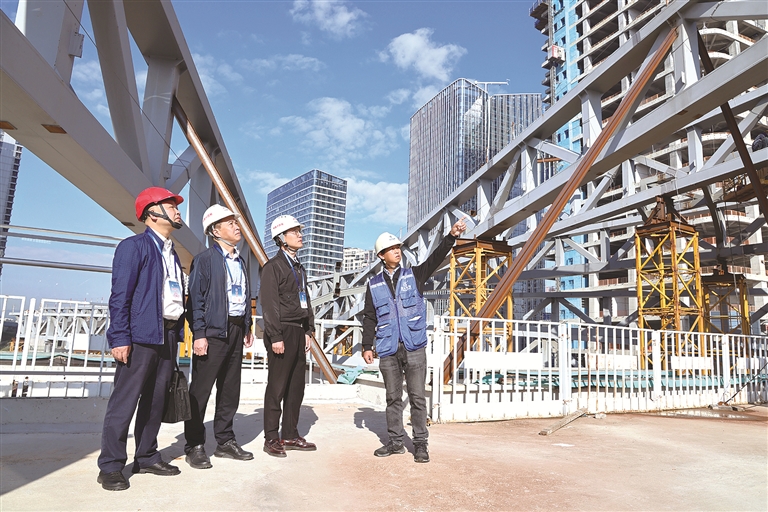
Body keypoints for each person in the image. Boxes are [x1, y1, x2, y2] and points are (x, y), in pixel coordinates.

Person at [97, 187, 186, 491]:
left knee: (156, 401)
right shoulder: (133, 247)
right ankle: (110, 466)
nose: (177, 210)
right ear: (152, 213)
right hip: (139, 337)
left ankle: (146, 456)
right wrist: (119, 337)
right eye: (170, 206)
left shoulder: (172, 252)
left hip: (167, 335)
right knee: (125, 402)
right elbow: (119, 296)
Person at [362, 218, 467, 463]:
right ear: (381, 256)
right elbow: (369, 316)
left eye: (398, 247)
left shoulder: (415, 275)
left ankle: (420, 443)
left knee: (418, 397)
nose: (397, 251)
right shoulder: (373, 284)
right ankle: (396, 442)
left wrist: (451, 236)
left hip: (414, 346)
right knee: (393, 398)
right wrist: (367, 345)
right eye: (391, 249)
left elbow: (436, 258)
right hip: (388, 347)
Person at [184, 204, 255, 469]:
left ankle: (225, 441)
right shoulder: (204, 260)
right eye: (230, 223)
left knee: (230, 389)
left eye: (236, 222)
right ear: (215, 231)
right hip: (213, 333)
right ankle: (194, 445)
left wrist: (247, 326)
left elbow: (243, 296)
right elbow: (196, 301)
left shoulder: (241, 261)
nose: (237, 226)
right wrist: (199, 334)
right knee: (200, 391)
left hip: (235, 331)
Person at [260, 215, 317, 457]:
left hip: (297, 330)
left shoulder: (299, 268)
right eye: (294, 232)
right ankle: (271, 438)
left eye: (299, 231)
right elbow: (269, 304)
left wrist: (308, 330)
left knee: (296, 387)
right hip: (281, 330)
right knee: (277, 386)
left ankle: (291, 434)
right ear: (281, 238)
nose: (300, 235)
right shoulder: (273, 267)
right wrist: (275, 336)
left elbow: (306, 300)